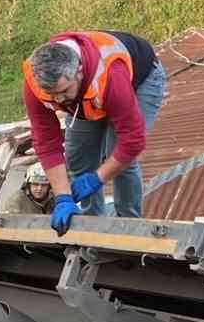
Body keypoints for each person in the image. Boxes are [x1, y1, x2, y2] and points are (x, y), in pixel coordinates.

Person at [21, 30, 167, 236]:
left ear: (79, 71)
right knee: (78, 160)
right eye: (52, 95)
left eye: (63, 91)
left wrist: (97, 178)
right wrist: (63, 197)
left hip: (140, 81)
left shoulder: (109, 74)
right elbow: (46, 142)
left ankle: (129, 226)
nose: (59, 100)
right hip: (87, 96)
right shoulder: (36, 80)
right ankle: (91, 225)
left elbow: (132, 141)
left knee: (120, 160)